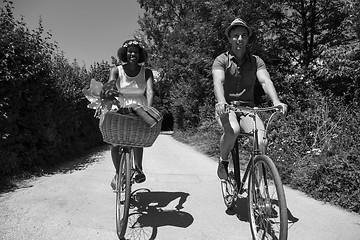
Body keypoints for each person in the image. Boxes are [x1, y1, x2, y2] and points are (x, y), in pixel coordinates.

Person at [212, 18, 288, 180]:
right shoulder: (221, 60)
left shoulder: (256, 61)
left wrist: (276, 101)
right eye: (236, 35)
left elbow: (265, 81)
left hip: (248, 109)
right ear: (229, 38)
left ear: (247, 38)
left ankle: (259, 189)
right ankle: (223, 161)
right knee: (233, 130)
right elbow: (218, 82)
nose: (240, 39)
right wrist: (221, 102)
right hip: (227, 108)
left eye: (243, 35)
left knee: (261, 143)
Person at [102, 39, 154, 189]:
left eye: (136, 52)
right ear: (125, 53)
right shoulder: (116, 70)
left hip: (139, 106)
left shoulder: (147, 72)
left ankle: (138, 169)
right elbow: (110, 84)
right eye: (130, 51)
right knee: (115, 142)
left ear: (140, 54)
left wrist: (148, 110)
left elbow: (150, 91)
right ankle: (118, 173)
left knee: (137, 140)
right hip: (120, 106)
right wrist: (108, 93)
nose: (133, 54)